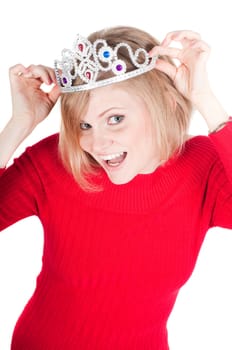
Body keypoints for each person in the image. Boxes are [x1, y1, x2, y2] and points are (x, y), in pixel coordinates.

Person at [0, 25, 231, 350]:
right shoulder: (58, 160)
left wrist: (205, 98)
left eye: (115, 118)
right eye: (84, 124)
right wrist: (18, 125)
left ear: (165, 102)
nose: (96, 142)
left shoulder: (202, 166)